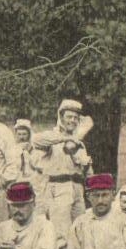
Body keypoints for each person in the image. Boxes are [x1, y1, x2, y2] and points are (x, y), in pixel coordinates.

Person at [32, 100, 92, 241]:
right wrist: (65, 138)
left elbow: (87, 170)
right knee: (61, 233)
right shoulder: (53, 138)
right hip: (58, 188)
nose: (72, 120)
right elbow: (36, 140)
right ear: (61, 117)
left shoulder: (79, 142)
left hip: (77, 189)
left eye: (76, 118)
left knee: (80, 231)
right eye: (69, 117)